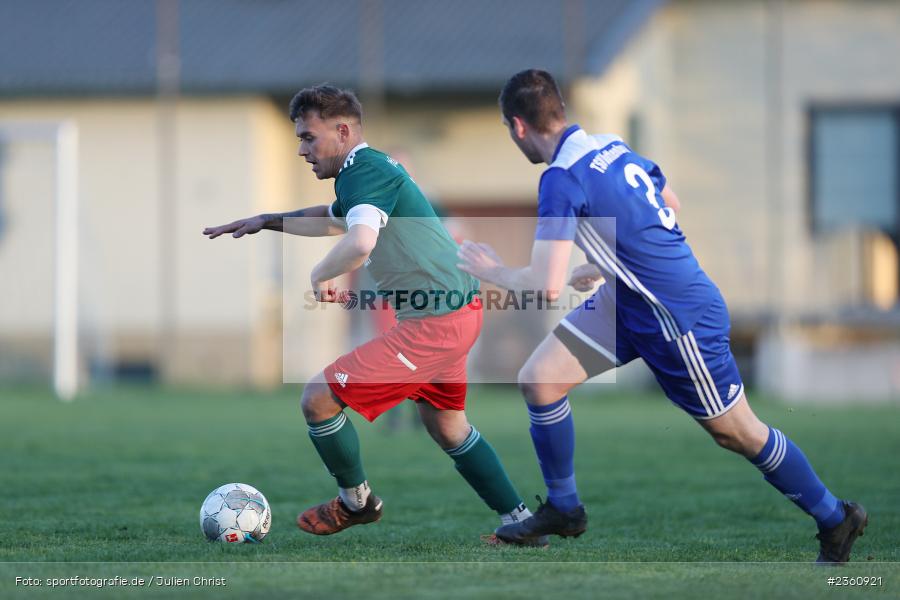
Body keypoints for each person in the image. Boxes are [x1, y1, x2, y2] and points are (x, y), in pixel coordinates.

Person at [456, 69, 867, 563]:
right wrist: (604, 264)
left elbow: (544, 287)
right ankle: (565, 508)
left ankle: (836, 517)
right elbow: (669, 204)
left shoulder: (560, 179)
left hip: (674, 314)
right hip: (627, 302)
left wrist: (492, 269)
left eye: (508, 130)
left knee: (737, 432)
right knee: (540, 379)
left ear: (518, 127)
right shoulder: (609, 145)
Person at [203, 85, 540, 544]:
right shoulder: (363, 172)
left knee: (318, 398)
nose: (301, 149)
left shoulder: (365, 169)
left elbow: (359, 242)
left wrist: (320, 275)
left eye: (308, 137)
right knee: (447, 425)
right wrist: (268, 219)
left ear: (342, 131)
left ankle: (356, 503)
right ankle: (521, 521)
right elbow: (330, 219)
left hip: (435, 323)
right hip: (453, 313)